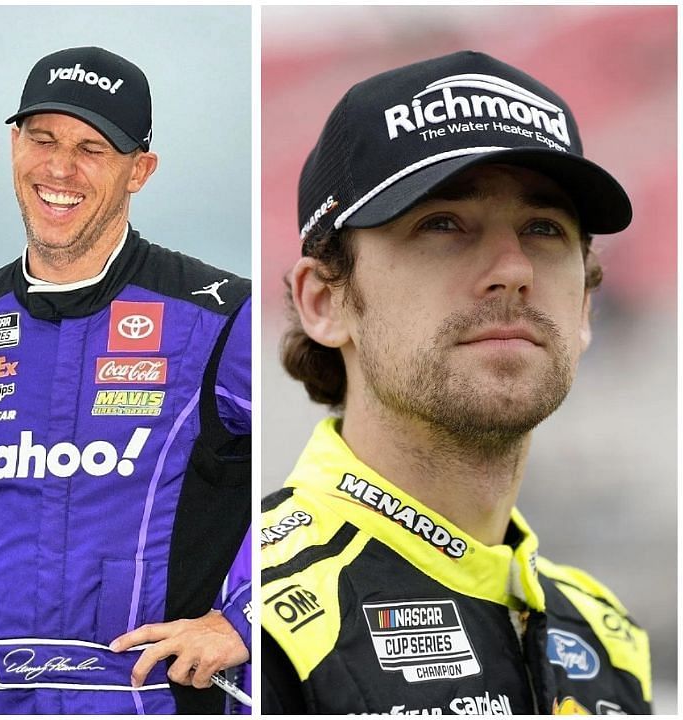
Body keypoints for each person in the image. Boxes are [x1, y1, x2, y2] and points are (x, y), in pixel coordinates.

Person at [0, 46, 252, 715]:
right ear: (14, 145)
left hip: (156, 700)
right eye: (42, 138)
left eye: (92, 148)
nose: (59, 168)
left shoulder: (216, 315)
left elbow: (304, 468)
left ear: (140, 171)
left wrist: (245, 616)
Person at [261, 51, 652, 714]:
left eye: (544, 228)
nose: (512, 269)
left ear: (585, 307)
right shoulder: (251, 614)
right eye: (442, 224)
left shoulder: (609, 639)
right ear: (324, 301)